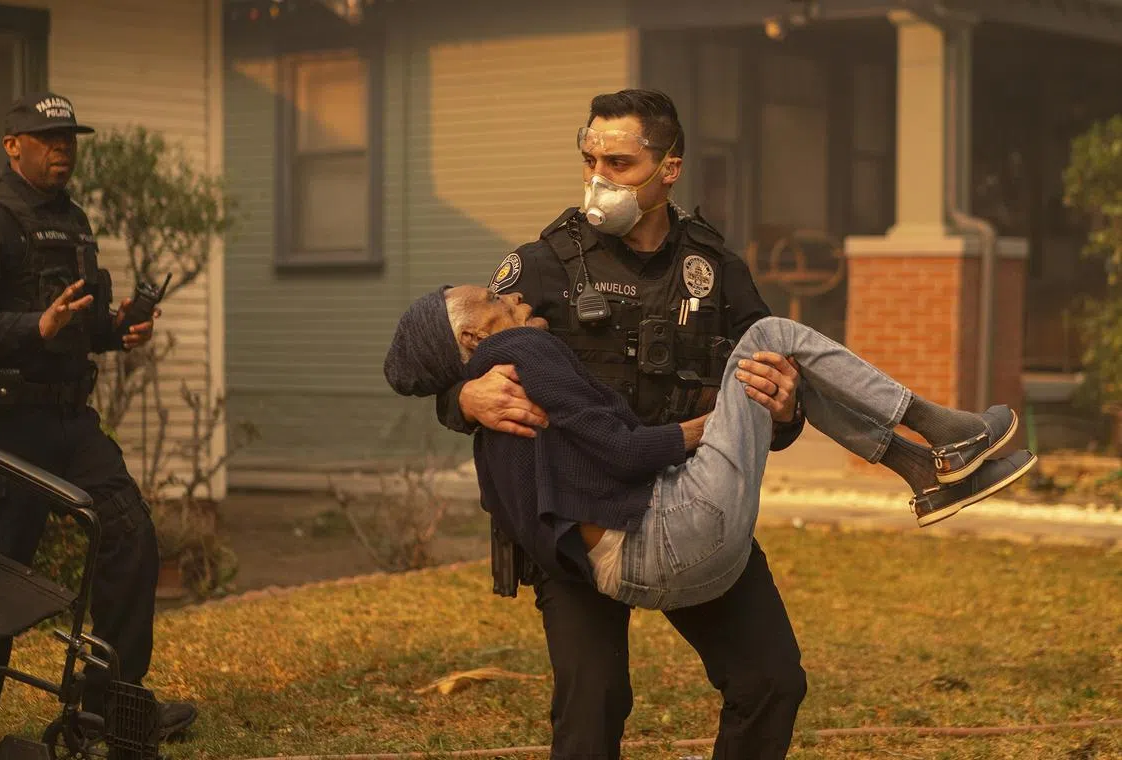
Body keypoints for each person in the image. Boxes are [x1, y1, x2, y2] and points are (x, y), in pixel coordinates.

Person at [434, 89, 808, 759]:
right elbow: (449, 368)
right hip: (579, 519)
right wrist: (468, 399)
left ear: (669, 169)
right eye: (589, 159)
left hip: (689, 503)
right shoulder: (540, 264)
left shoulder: (715, 271)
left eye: (620, 162)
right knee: (594, 701)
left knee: (772, 679)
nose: (598, 178)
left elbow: (773, 395)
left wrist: (784, 409)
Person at [388, 284, 1035, 607]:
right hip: (675, 535)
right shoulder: (517, 349)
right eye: (493, 298)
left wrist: (739, 412)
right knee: (768, 338)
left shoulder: (492, 441)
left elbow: (587, 473)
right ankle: (942, 427)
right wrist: (723, 418)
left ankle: (925, 469)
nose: (517, 296)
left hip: (638, 577)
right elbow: (624, 452)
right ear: (473, 341)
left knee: (775, 368)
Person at [0, 92, 197, 738]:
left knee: (131, 536)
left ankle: (107, 706)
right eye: (49, 138)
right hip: (5, 424)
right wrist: (35, 327)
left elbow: (73, 325)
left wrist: (112, 329)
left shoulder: (73, 221)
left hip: (70, 422)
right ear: (12, 145)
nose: (64, 148)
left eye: (69, 137)